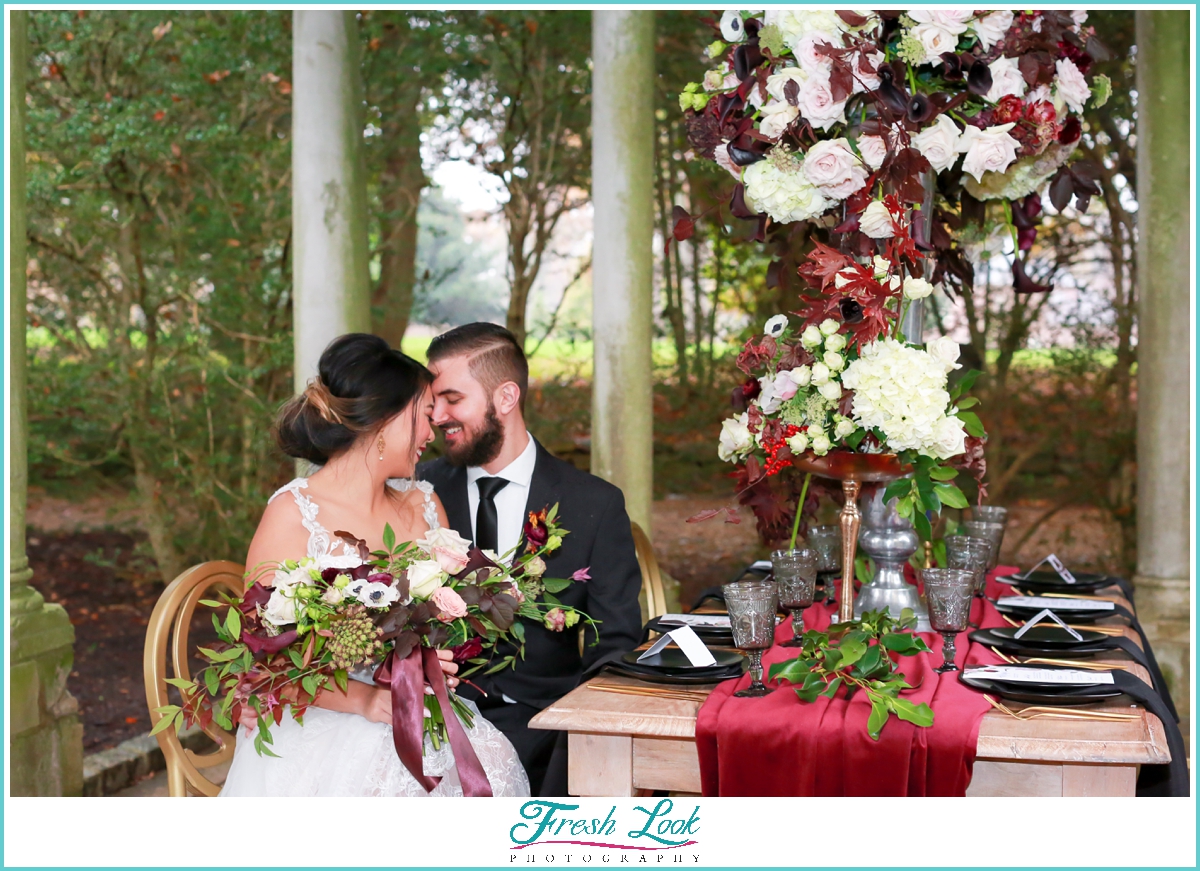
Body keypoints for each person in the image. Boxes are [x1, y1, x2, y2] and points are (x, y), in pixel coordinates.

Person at [220, 333, 530, 797]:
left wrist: (438, 655)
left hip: (412, 705)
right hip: (325, 713)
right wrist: (366, 699)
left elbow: (442, 623)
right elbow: (264, 662)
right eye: (424, 416)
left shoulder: (424, 504)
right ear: (386, 421)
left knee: (494, 756)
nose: (432, 433)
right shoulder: (292, 513)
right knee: (393, 780)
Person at [418, 323, 643, 796]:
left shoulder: (594, 505)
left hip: (549, 732)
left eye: (452, 399)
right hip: (432, 723)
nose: (436, 415)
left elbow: (615, 644)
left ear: (505, 397)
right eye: (433, 401)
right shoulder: (418, 493)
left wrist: (577, 731)